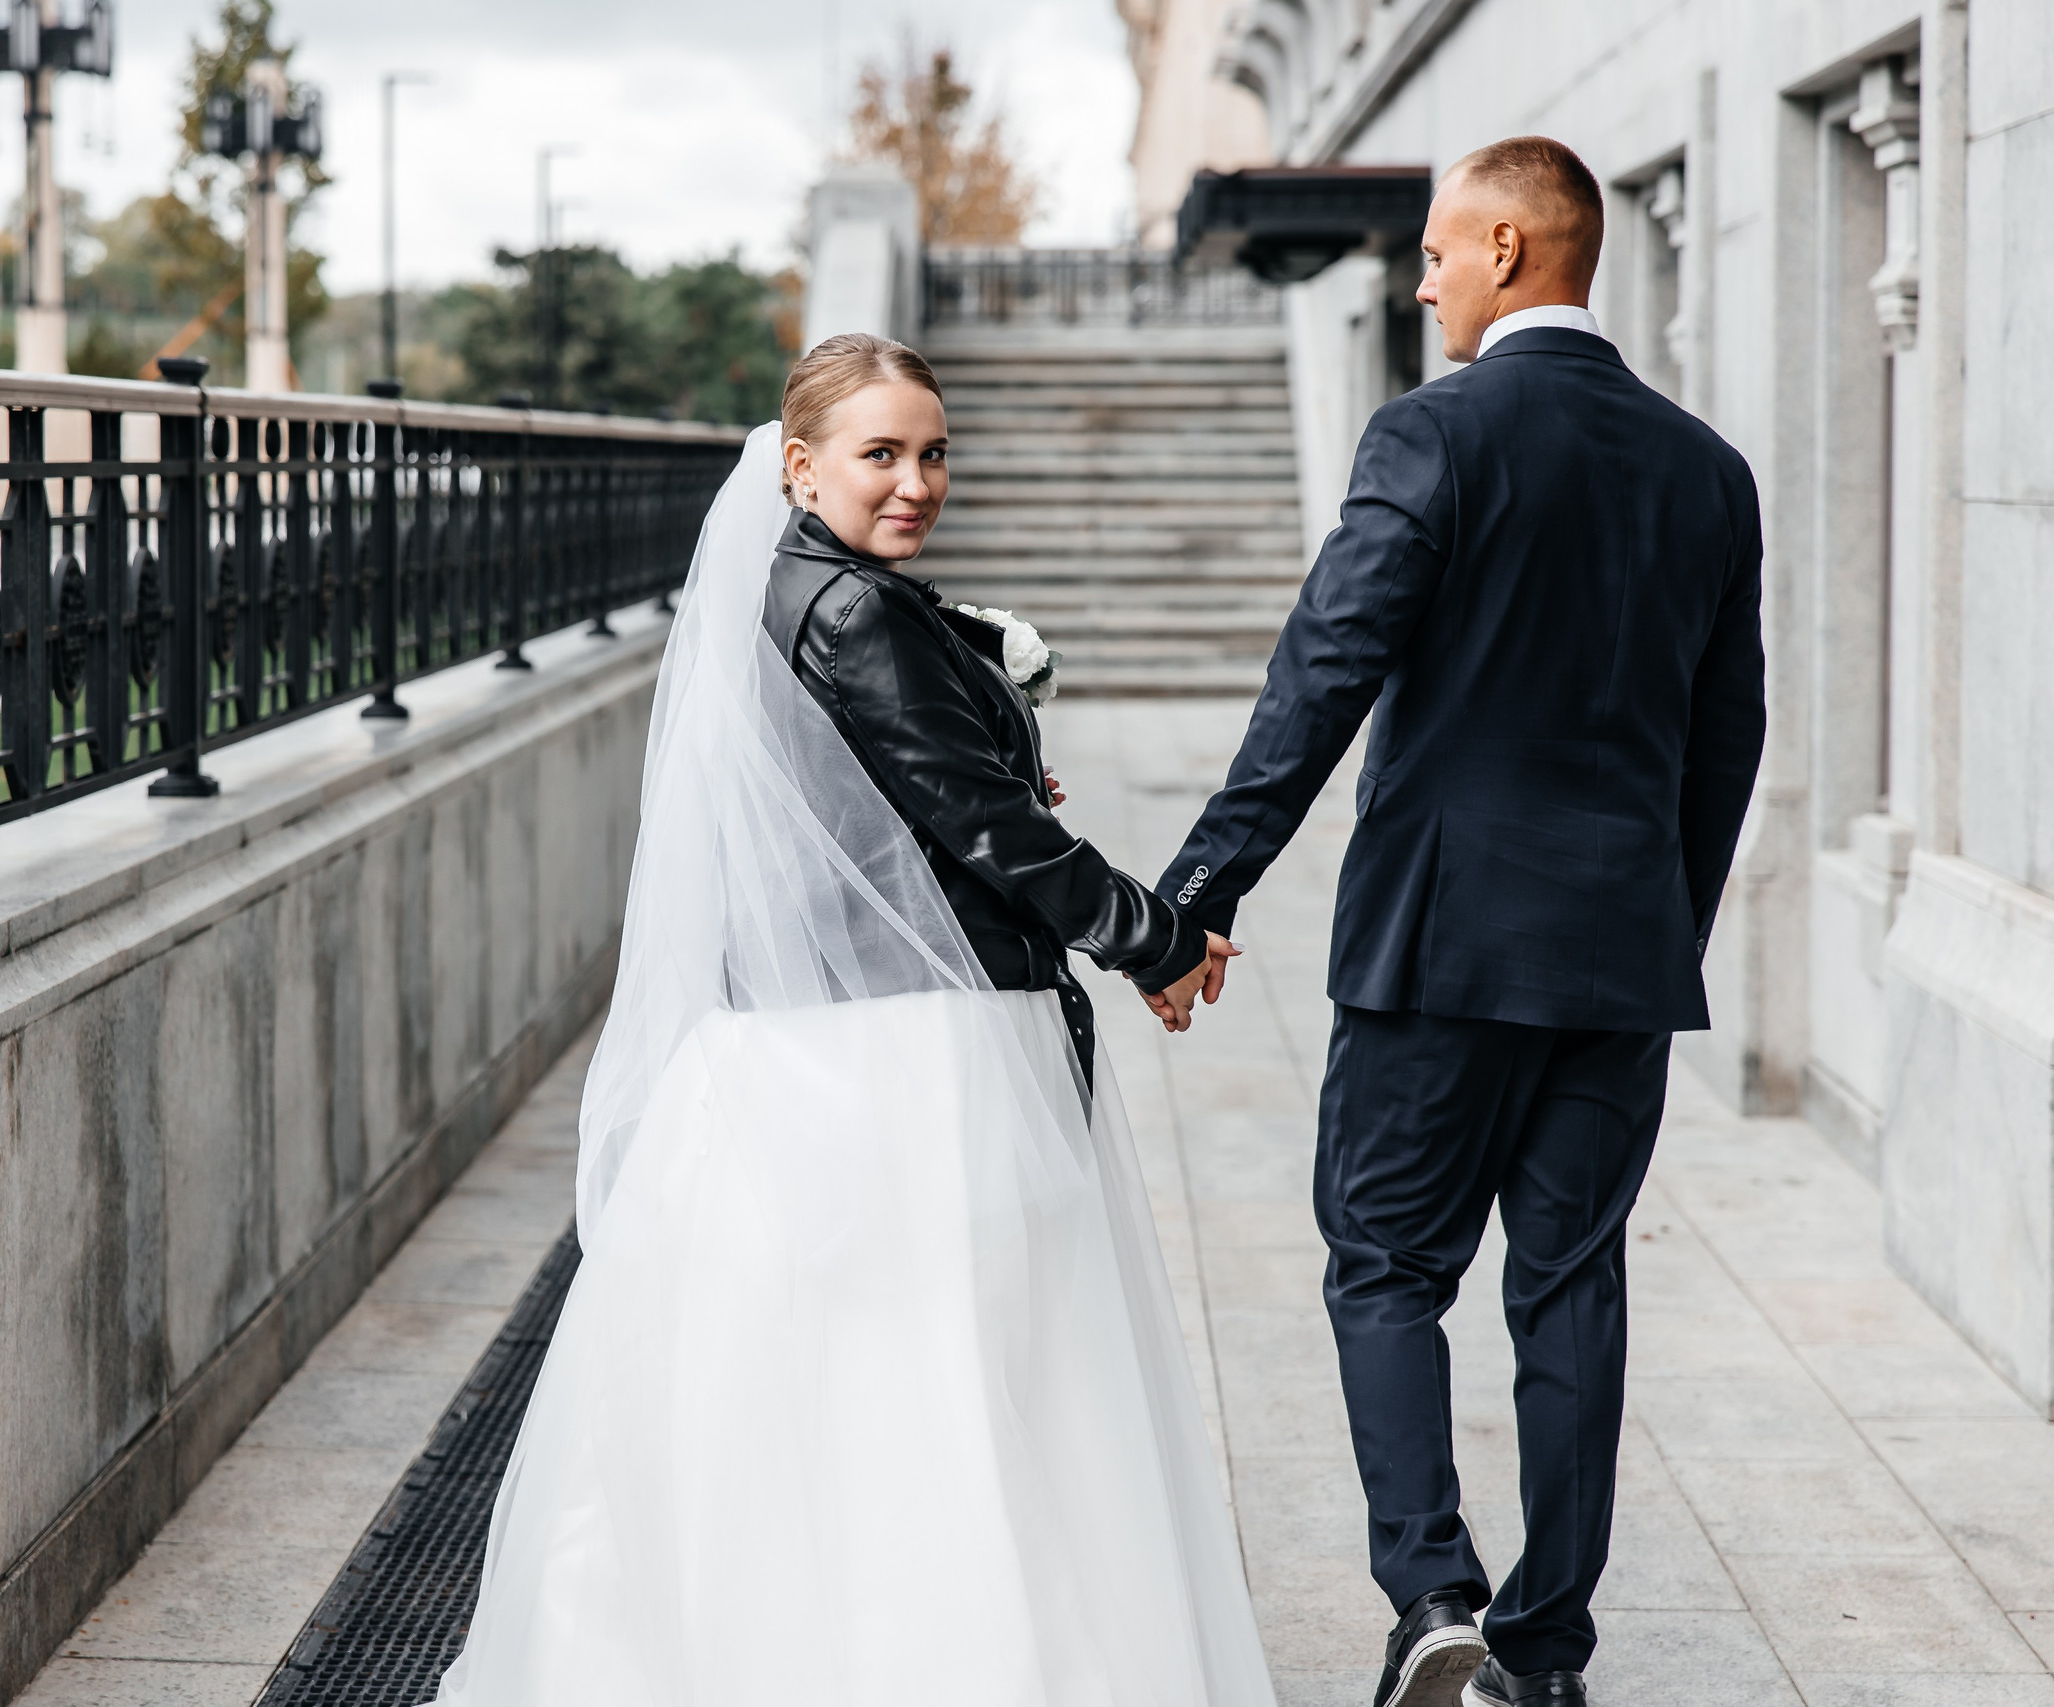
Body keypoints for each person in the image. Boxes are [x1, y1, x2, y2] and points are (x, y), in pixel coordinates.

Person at [425, 335, 1277, 1706]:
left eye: (934, 452)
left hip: (794, 1046)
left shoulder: (795, 594)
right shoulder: (858, 614)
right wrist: (1156, 938)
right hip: (904, 1056)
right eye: (880, 454)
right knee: (945, 1390)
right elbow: (985, 828)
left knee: (808, 1397)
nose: (915, 481)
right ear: (799, 463)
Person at [1132, 138, 1768, 1707]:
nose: (1417, 279)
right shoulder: (1708, 468)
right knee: (1573, 1286)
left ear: (1504, 246)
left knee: (1384, 1270)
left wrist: (1197, 894)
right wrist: (1655, 923)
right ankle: (1542, 1658)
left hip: (1438, 950)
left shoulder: (1433, 435)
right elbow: (1728, 733)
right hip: (1618, 957)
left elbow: (1322, 676)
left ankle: (1434, 1603)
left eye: (1432, 250)